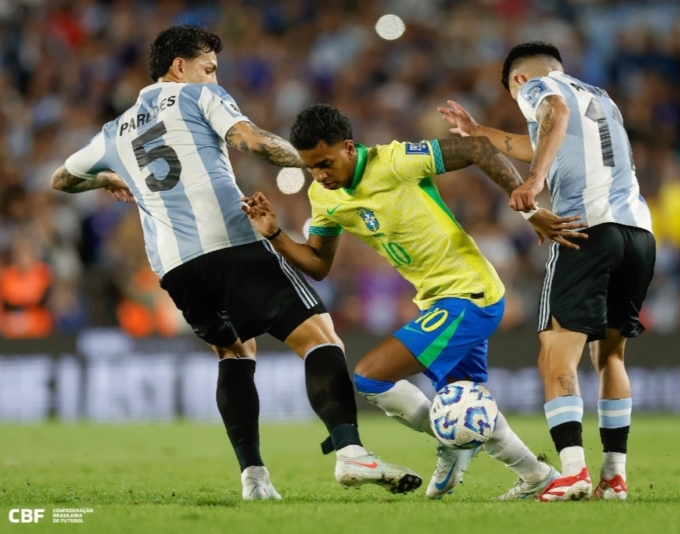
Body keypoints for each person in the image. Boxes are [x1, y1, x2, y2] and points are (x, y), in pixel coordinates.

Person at [50, 25, 421, 500]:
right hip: (231, 242)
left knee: (234, 352)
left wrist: (107, 179)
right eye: (208, 68)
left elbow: (61, 179)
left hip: (176, 266)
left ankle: (254, 478)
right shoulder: (198, 96)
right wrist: (319, 162)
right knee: (320, 337)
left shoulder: (112, 132)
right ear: (179, 67)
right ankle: (350, 453)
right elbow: (254, 142)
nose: (213, 77)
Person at [241, 103, 589, 500]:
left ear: (349, 148)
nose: (320, 175)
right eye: (310, 168)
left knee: (371, 377)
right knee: (462, 403)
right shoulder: (323, 196)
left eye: (325, 163)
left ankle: (452, 443)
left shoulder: (395, 161)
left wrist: (529, 210)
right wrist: (275, 235)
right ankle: (536, 474)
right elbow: (318, 264)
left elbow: (477, 147)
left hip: (469, 294)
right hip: (436, 302)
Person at [439, 41, 656, 501]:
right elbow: (540, 138)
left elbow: (553, 113)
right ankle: (613, 477)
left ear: (519, 79)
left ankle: (572, 472)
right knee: (610, 356)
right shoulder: (600, 96)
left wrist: (535, 181)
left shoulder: (538, 87)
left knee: (555, 353)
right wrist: (478, 131)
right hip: (638, 234)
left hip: (586, 229)